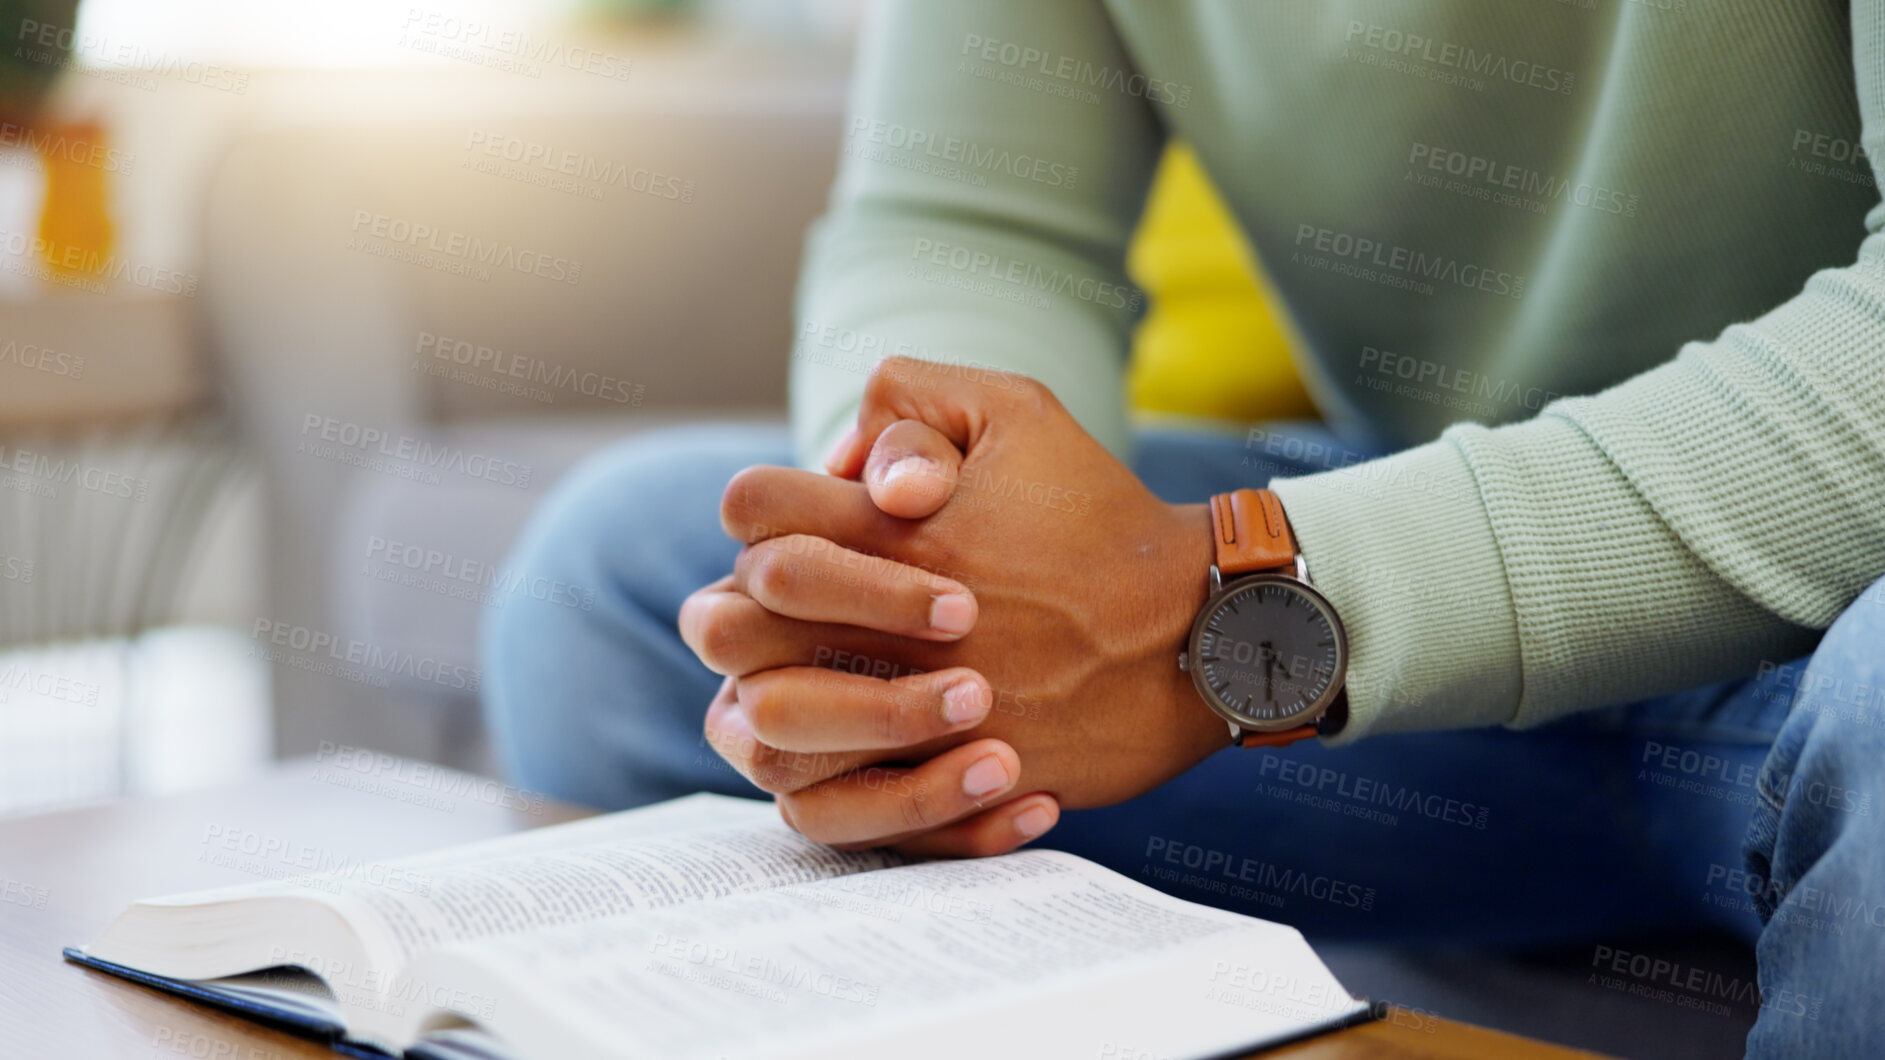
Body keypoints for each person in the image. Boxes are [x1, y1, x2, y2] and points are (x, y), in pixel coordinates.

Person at [484, 3, 1885, 1055]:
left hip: (1840, 631)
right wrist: (918, 565)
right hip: (1433, 592)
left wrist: (1214, 594)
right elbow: (973, 219)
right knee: (620, 589)